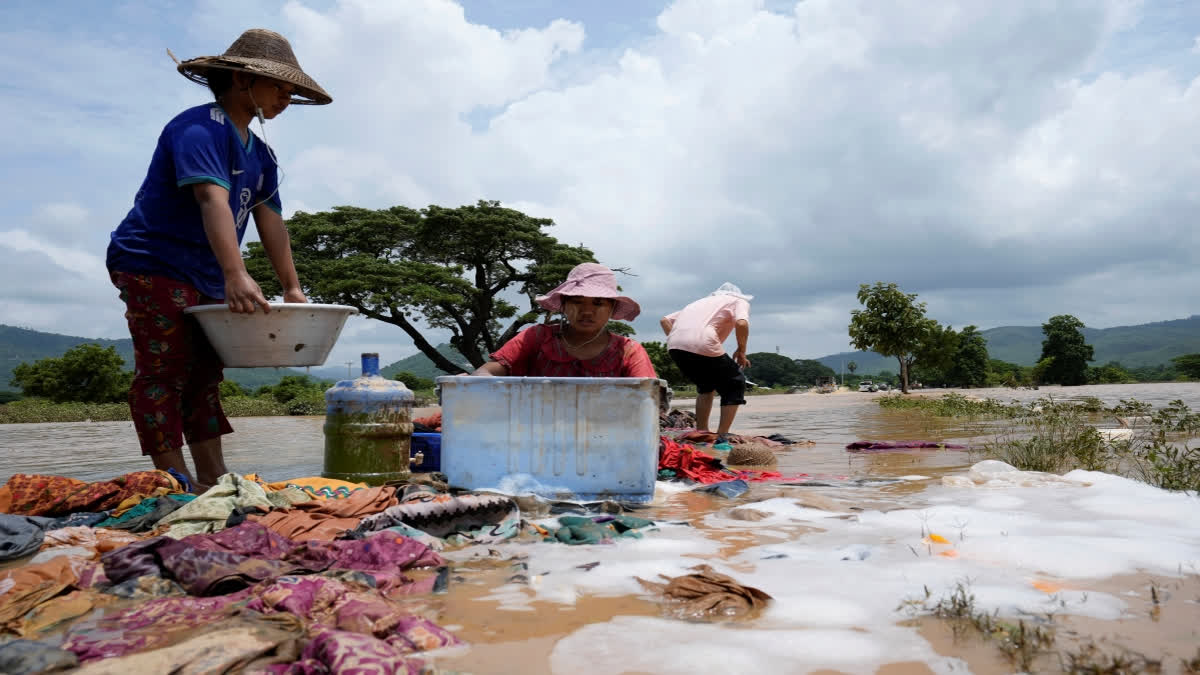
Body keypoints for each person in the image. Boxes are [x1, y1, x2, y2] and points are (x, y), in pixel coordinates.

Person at [105, 29, 331, 491]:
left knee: (205, 373)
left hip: (205, 271)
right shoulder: (198, 128)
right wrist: (236, 273)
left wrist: (291, 287)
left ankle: (213, 477)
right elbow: (212, 199)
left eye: (291, 91)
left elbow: (270, 222)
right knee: (164, 370)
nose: (286, 98)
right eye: (279, 87)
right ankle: (175, 482)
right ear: (240, 79)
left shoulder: (262, 155)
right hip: (153, 261)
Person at [473, 263, 658, 378]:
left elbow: (648, 395)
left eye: (598, 303)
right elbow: (489, 370)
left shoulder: (628, 350)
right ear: (563, 304)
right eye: (577, 301)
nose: (586, 311)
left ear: (612, 309)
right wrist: (478, 378)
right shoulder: (536, 337)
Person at [660, 282, 753, 441]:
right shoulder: (738, 301)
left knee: (706, 386)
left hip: (674, 345)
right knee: (735, 382)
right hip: (703, 342)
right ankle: (722, 435)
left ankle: (701, 432)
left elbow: (665, 320)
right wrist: (741, 351)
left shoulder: (700, 303)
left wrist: (680, 340)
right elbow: (742, 323)